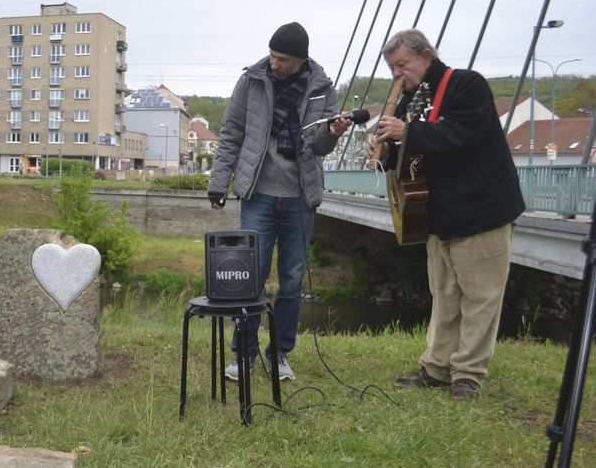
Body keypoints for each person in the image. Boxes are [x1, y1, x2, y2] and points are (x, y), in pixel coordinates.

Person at [370, 28, 525, 400]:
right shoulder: (410, 99)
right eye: (392, 67)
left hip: (482, 208)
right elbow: (408, 154)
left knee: (481, 296)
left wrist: (405, 131)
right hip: (437, 212)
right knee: (444, 295)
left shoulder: (466, 85)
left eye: (402, 65)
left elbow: (460, 137)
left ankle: (468, 374)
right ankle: (436, 367)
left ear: (426, 56)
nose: (397, 75)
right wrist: (384, 150)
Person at [208, 22, 351, 382]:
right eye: (271, 55)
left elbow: (319, 146)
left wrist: (332, 134)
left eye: (282, 59)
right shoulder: (251, 81)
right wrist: (218, 183)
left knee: (291, 281)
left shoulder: (322, 89)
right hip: (257, 195)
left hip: (300, 198)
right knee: (248, 278)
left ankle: (280, 353)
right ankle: (244, 354)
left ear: (301, 60)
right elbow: (230, 135)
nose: (273, 63)